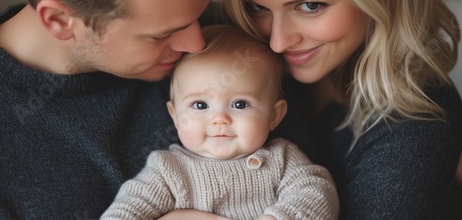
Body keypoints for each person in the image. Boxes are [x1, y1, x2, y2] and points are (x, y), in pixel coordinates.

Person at [0, 0, 218, 219]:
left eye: (198, 14)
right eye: (161, 35)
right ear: (60, 20)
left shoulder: (223, 36)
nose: (198, 43)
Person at [220, 0, 462, 219]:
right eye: (256, 7)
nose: (277, 42)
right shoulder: (212, 50)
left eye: (311, 6)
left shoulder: (416, 121)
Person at [100, 25, 339, 220]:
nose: (220, 119)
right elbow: (127, 209)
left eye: (240, 104)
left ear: (274, 116)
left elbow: (318, 193)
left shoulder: (282, 159)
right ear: (175, 115)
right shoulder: (169, 170)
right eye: (201, 105)